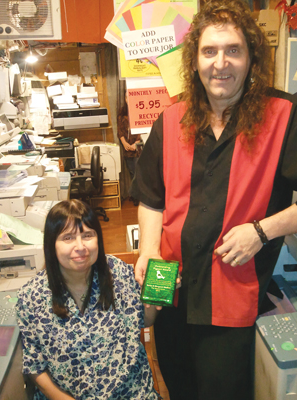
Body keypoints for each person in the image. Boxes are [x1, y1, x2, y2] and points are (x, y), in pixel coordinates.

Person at [130, 1, 297, 399]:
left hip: (234, 293)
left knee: (222, 389)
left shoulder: (284, 116)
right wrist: (148, 251)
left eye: (233, 50)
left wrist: (263, 230)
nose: (220, 62)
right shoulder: (171, 120)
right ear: (195, 61)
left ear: (251, 58)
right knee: (174, 382)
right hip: (166, 283)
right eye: (209, 51)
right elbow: (152, 199)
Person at [15, 199, 159, 400]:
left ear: (98, 239)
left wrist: (155, 294)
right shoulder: (32, 297)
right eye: (68, 238)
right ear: (51, 245)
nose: (80, 246)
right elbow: (34, 366)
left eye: (87, 235)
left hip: (130, 394)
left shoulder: (119, 273)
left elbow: (145, 320)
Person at [117, 93, 142, 205]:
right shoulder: (122, 113)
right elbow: (120, 131)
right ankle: (134, 194)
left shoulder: (139, 110)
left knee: (138, 172)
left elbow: (142, 129)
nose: (129, 99)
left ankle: (138, 196)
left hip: (137, 149)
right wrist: (124, 143)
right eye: (127, 97)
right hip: (126, 149)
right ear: (125, 98)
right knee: (131, 172)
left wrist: (135, 144)